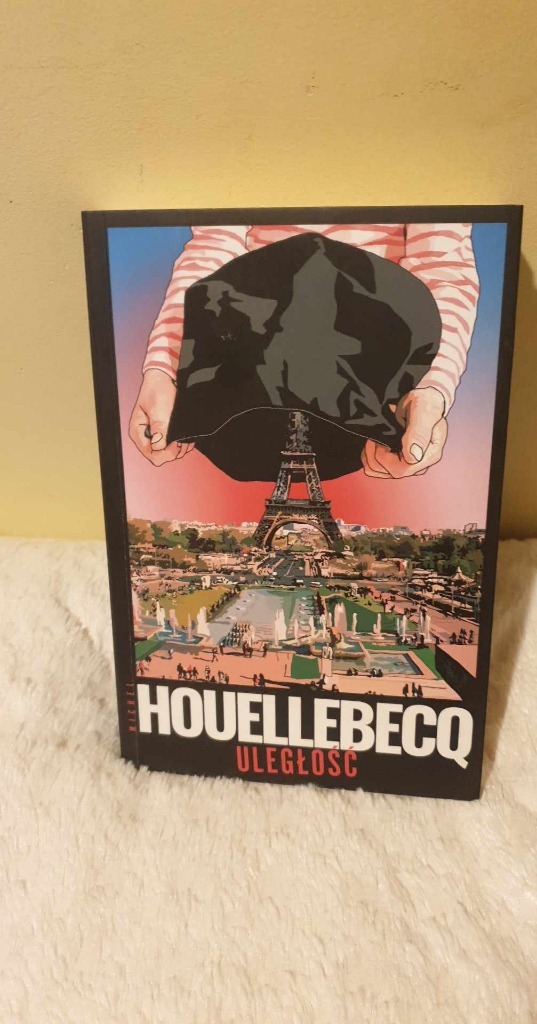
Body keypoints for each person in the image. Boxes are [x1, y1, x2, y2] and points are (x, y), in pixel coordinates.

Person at [129, 223, 479, 480]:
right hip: (282, 383)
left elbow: (213, 255)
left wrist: (427, 387)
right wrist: (165, 366)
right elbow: (442, 267)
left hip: (351, 392)